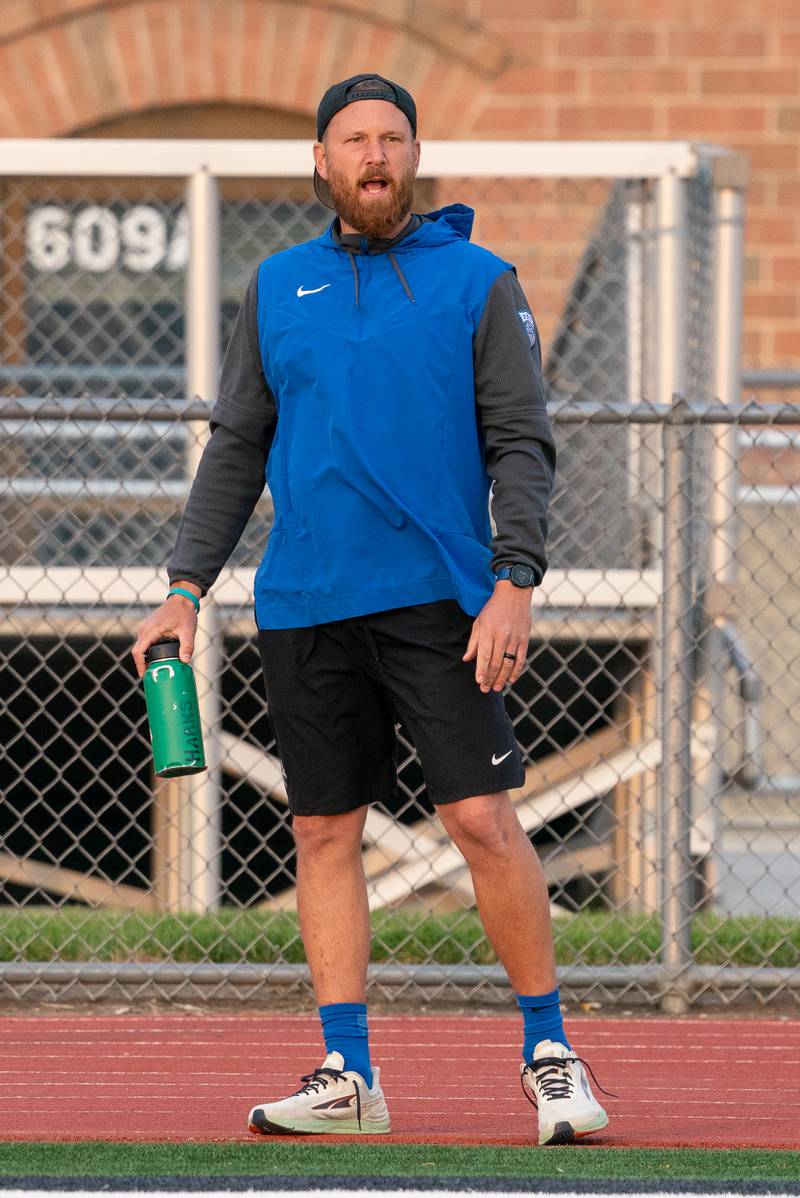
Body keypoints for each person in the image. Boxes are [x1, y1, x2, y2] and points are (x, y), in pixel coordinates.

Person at [132, 73, 608, 1147]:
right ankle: (347, 1072)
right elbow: (238, 445)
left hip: (443, 602)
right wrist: (181, 588)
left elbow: (521, 445)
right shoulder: (277, 285)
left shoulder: (480, 283)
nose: (374, 156)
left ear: (412, 155)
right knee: (319, 830)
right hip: (305, 605)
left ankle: (551, 1053)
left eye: (391, 138)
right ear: (321, 162)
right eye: (353, 141)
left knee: (483, 821)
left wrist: (513, 581)